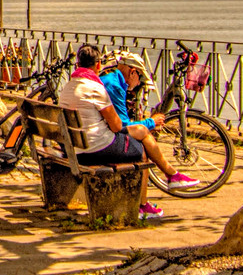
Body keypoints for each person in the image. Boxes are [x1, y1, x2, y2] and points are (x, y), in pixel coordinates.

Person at [58, 44, 181, 219]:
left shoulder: (68, 87)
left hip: (74, 149)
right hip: (94, 149)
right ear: (98, 65)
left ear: (78, 65)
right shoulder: (96, 88)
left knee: (138, 134)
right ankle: (141, 205)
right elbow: (116, 126)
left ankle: (171, 176)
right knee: (140, 149)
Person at [102, 51, 203, 190]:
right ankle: (170, 177)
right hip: (101, 142)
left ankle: (171, 176)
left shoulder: (110, 80)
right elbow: (123, 126)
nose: (139, 84)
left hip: (90, 136)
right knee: (141, 146)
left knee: (142, 135)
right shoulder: (115, 87)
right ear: (132, 72)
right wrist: (151, 122)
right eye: (140, 79)